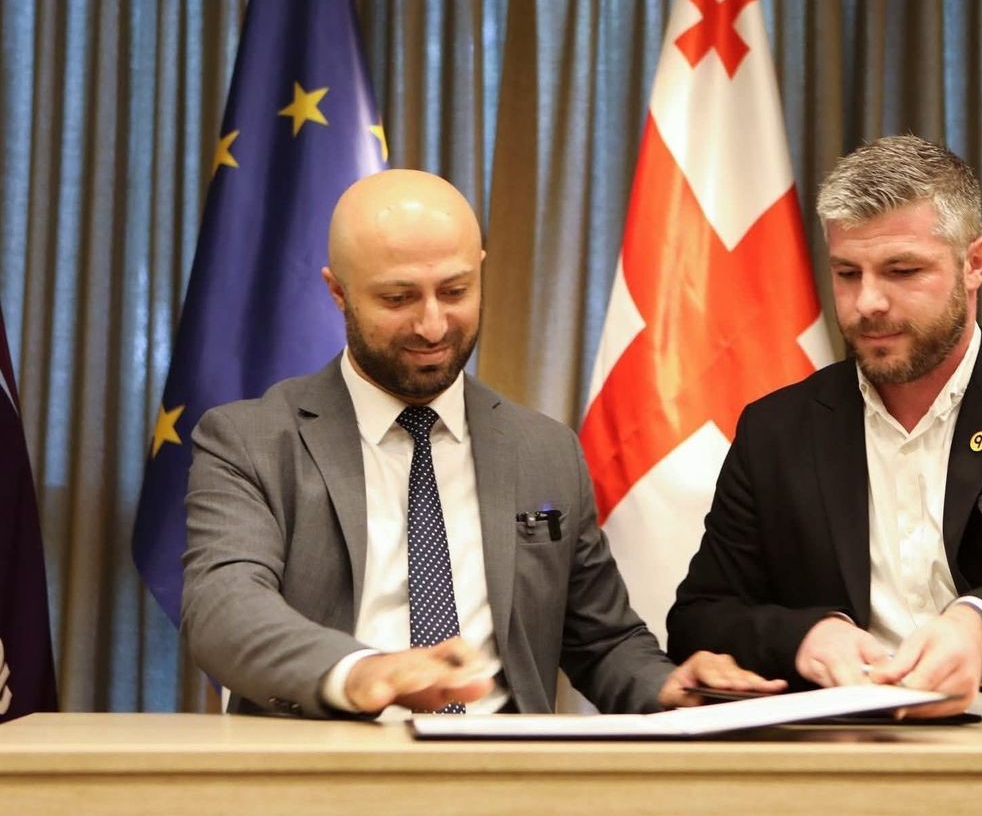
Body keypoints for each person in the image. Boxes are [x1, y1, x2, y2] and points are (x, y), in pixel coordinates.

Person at [181, 168, 782, 719]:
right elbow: (223, 608)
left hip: (504, 776)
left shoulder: (543, 450)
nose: (433, 325)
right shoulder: (251, 441)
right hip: (324, 773)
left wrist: (670, 687)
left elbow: (602, 641)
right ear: (338, 292)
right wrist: (364, 671)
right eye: (398, 298)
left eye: (455, 291)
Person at [666, 134, 982, 717]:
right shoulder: (777, 431)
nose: (867, 303)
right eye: (846, 273)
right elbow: (701, 616)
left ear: (975, 264)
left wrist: (978, 629)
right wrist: (810, 637)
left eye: (902, 270)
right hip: (839, 765)